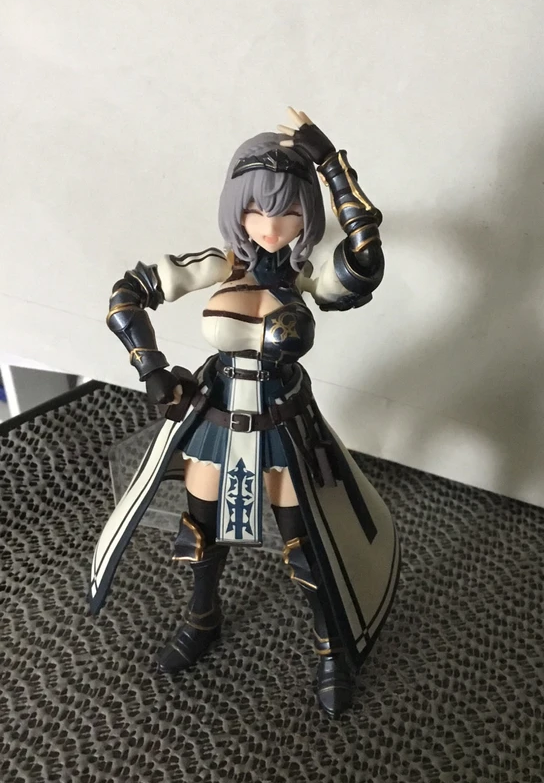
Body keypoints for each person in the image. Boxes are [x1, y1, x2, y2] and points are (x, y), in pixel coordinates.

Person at [89, 109, 400, 718]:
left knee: (306, 543)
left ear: (307, 213)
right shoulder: (221, 264)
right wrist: (151, 369)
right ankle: (202, 618)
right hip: (217, 414)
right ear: (238, 209)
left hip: (282, 422)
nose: (271, 226)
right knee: (200, 532)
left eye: (288, 211)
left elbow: (365, 262)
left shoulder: (307, 278)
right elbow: (126, 295)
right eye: (257, 209)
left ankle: (332, 647)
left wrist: (333, 167)